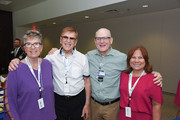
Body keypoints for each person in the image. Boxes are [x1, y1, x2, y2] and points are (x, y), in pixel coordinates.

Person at [8, 27, 91, 120]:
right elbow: (32, 59)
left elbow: (87, 82)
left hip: (77, 100)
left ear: (75, 42)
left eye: (72, 38)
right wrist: (16, 60)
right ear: (60, 40)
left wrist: (87, 104)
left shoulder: (83, 58)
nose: (68, 41)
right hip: (58, 102)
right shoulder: (50, 58)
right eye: (65, 37)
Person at [86, 28, 163, 120]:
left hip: (113, 107)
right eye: (98, 38)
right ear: (95, 41)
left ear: (111, 40)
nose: (102, 41)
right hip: (94, 104)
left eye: (105, 38)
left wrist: (155, 74)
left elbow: (136, 65)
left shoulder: (121, 58)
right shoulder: (88, 56)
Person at [4, 30, 56, 120]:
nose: (32, 47)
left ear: (41, 47)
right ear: (24, 48)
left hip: (48, 116)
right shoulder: (15, 68)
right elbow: (8, 100)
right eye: (28, 44)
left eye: (36, 44)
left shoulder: (48, 64)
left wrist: (55, 50)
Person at [118, 45, 163, 120]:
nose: (136, 61)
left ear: (146, 60)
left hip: (143, 117)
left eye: (140, 58)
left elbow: (156, 105)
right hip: (124, 115)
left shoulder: (154, 79)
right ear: (129, 60)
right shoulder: (123, 75)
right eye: (133, 57)